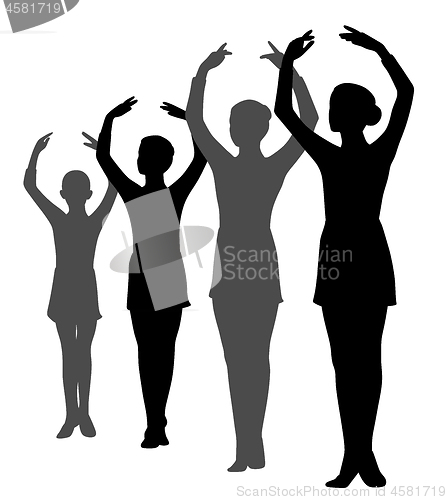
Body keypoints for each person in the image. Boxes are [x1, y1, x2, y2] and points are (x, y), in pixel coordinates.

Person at [274, 27, 414, 487]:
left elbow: (284, 114)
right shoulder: (363, 154)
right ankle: (356, 455)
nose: (335, 116)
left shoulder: (351, 155)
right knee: (353, 361)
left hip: (350, 258)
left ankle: (361, 454)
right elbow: (406, 93)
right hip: (351, 258)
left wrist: (290, 66)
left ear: (342, 118)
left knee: (358, 361)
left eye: (337, 108)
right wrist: (380, 53)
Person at [186, 39, 318, 471]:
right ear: (264, 129)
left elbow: (194, 121)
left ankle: (247, 446)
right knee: (256, 358)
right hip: (260, 264)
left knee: (237, 361)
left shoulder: (224, 163)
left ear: (233, 129)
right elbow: (310, 120)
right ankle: (251, 445)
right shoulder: (274, 164)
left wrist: (204, 73)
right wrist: (290, 73)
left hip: (234, 267)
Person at [94, 98, 207, 448]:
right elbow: (202, 156)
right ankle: (156, 422)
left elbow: (103, 159)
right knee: (160, 352)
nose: (141, 160)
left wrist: (110, 119)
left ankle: (155, 423)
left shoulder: (137, 192)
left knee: (151, 353)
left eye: (143, 155)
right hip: (158, 277)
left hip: (147, 278)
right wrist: (190, 121)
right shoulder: (174, 193)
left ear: (148, 163)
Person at [24, 132, 117, 438]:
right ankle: (76, 415)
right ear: (84, 194)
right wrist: (103, 153)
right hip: (72, 287)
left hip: (72, 287)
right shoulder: (88, 220)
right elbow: (114, 187)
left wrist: (36, 155)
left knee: (75, 354)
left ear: (63, 194)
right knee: (78, 354)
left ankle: (79, 415)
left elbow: (30, 187)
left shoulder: (65, 219)